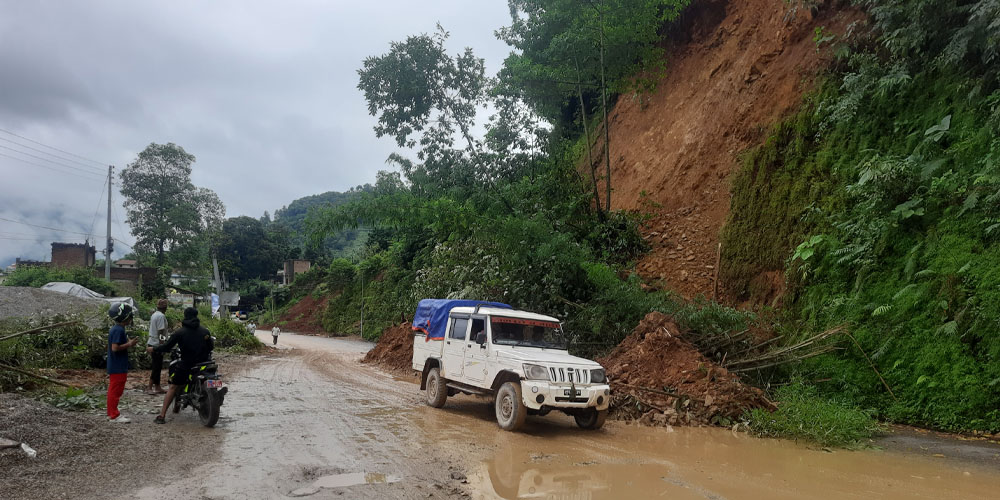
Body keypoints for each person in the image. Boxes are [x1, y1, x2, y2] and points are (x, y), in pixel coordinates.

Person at [149, 307, 214, 424]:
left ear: (185, 316)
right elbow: (211, 347)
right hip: (205, 363)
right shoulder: (205, 331)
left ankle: (162, 415)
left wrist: (153, 349)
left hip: (187, 364)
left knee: (173, 387)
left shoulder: (180, 332)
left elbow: (166, 347)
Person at [107, 303, 139, 423]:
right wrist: (129, 344)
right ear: (125, 317)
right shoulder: (118, 330)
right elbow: (115, 348)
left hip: (117, 365)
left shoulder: (118, 329)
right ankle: (114, 415)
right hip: (117, 366)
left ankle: (111, 412)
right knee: (115, 391)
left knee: (114, 390)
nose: (131, 319)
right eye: (130, 316)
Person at [146, 299, 169, 395]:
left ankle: (157, 386)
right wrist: (161, 344)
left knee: (158, 366)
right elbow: (160, 331)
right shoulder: (160, 316)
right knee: (156, 367)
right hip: (156, 344)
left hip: (152, 342)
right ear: (165, 308)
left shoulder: (155, 314)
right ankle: (150, 387)